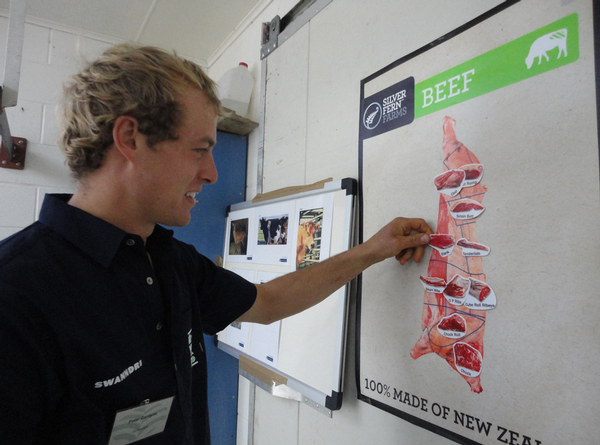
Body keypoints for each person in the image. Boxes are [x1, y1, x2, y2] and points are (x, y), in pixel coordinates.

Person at [0, 43, 432, 444]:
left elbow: (268, 302)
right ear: (130, 139)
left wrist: (373, 249)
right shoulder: (18, 294)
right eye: (198, 150)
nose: (212, 173)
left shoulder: (170, 261)